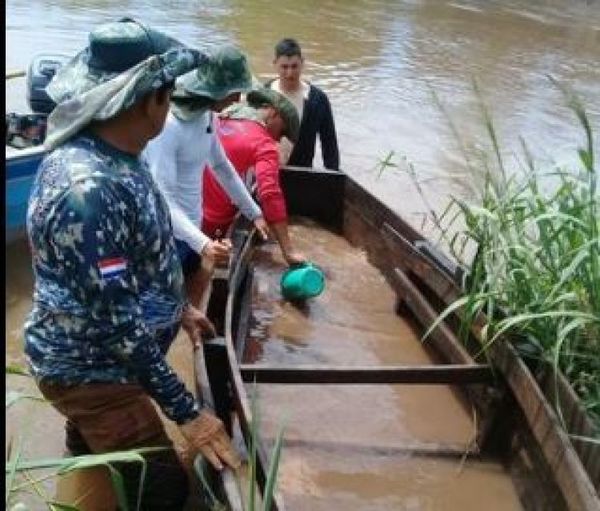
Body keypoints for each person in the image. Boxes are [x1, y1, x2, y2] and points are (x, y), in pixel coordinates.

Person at [25, 18, 240, 510]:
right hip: (93, 371)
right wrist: (189, 412)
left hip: (101, 362)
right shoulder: (88, 190)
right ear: (151, 102)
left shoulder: (124, 153)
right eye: (168, 95)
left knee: (93, 455)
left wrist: (181, 309)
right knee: (163, 491)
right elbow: (118, 327)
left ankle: (86, 483)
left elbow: (146, 252)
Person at [144, 46, 269, 307]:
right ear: (216, 89)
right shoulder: (169, 126)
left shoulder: (206, 116)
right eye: (235, 91)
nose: (238, 99)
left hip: (192, 231)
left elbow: (222, 167)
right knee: (160, 310)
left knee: (185, 304)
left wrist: (254, 213)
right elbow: (162, 200)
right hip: (166, 238)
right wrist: (204, 244)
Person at [202, 88, 306, 266]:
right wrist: (288, 251)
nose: (279, 140)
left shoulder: (217, 117)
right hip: (217, 223)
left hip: (188, 214)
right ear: (273, 112)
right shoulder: (264, 144)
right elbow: (271, 194)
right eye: (282, 131)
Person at [266, 37, 340, 171]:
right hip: (266, 172)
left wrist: (333, 178)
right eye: (284, 67)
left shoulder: (318, 100)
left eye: (294, 66)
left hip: (302, 174)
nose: (290, 73)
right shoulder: (264, 93)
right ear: (275, 64)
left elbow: (329, 144)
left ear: (302, 63)